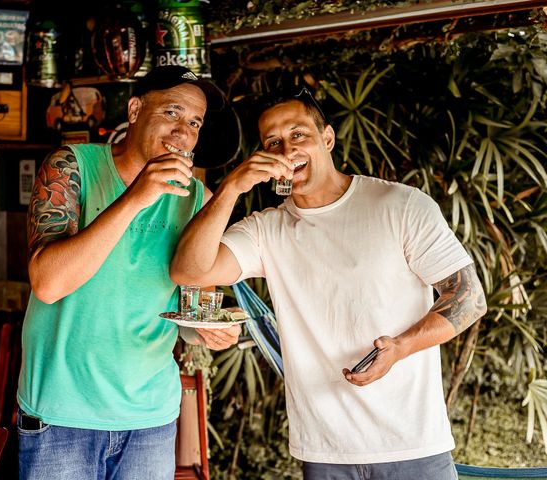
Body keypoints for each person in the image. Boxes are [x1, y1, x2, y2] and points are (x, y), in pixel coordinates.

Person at [170, 87, 487, 479]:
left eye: (298, 134)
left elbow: (469, 297)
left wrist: (401, 347)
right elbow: (190, 270)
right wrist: (233, 186)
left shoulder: (400, 205)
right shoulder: (267, 230)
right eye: (273, 141)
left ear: (328, 138)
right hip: (324, 452)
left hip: (413, 444)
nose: (287, 148)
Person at [17, 66, 241, 480]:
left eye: (194, 122)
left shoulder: (197, 198)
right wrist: (137, 196)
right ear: (136, 108)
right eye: (172, 112)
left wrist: (208, 331)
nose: (183, 132)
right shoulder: (72, 166)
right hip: (63, 412)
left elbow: (191, 311)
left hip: (150, 418)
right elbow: (47, 284)